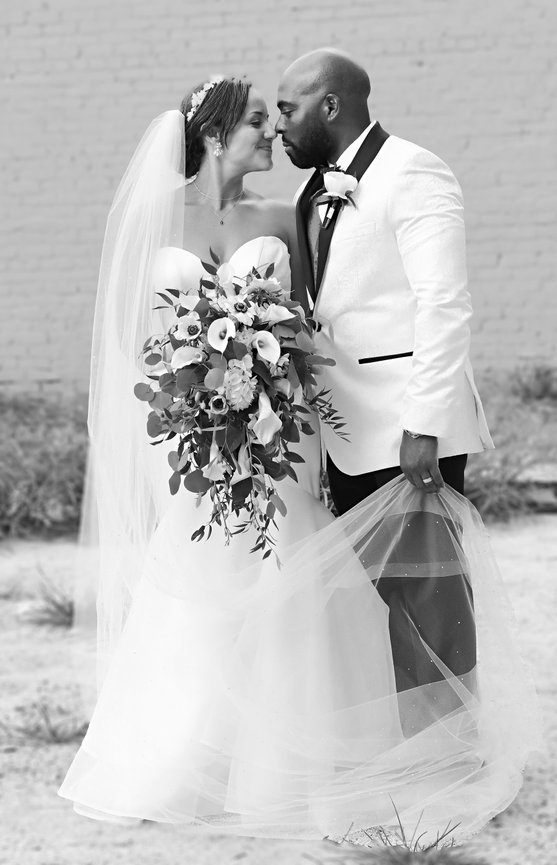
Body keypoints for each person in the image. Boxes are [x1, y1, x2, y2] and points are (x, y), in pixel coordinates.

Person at [58, 74, 539, 843]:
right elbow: (129, 341)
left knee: (289, 571)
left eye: (275, 116)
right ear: (214, 135)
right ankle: (185, 756)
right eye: (257, 121)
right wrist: (194, 396)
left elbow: (313, 327)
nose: (272, 134)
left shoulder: (283, 218)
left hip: (278, 435)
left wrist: (281, 394)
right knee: (199, 575)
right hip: (197, 436)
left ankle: (298, 759)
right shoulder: (154, 219)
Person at [277, 48, 495, 694]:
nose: (280, 124)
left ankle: (450, 749)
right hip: (344, 437)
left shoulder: (413, 171)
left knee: (433, 610)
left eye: (288, 109)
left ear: (330, 105)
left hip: (406, 436)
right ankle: (401, 746)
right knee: (376, 612)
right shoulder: (309, 191)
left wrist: (423, 425)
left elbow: (444, 305)